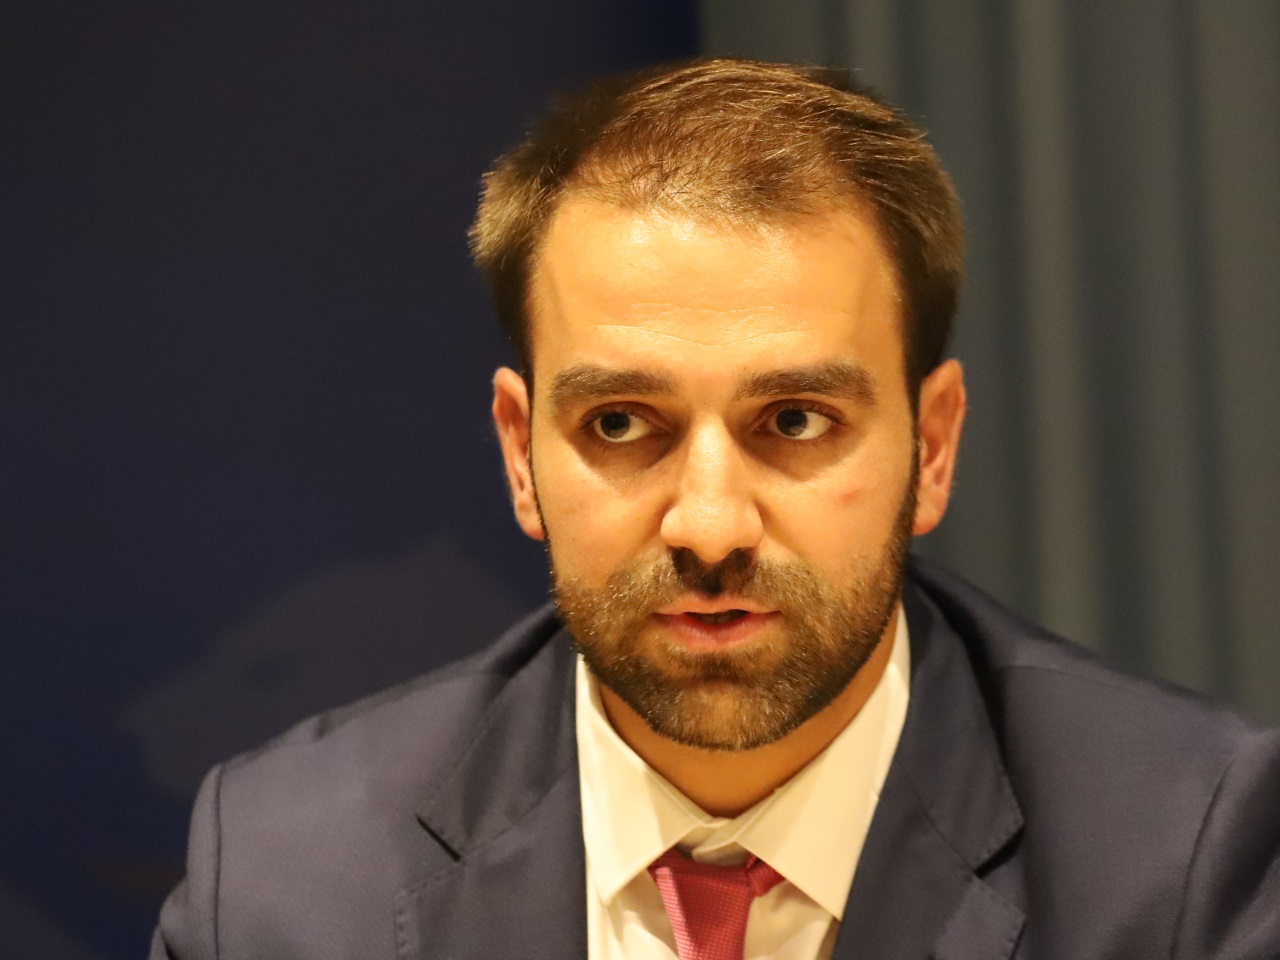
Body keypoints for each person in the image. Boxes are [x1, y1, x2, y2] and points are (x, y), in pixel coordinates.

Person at [150, 58, 1280, 960]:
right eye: (619, 424)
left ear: (931, 447)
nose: (708, 526)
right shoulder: (285, 884)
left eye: (793, 420)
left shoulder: (1184, 860)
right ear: (519, 454)